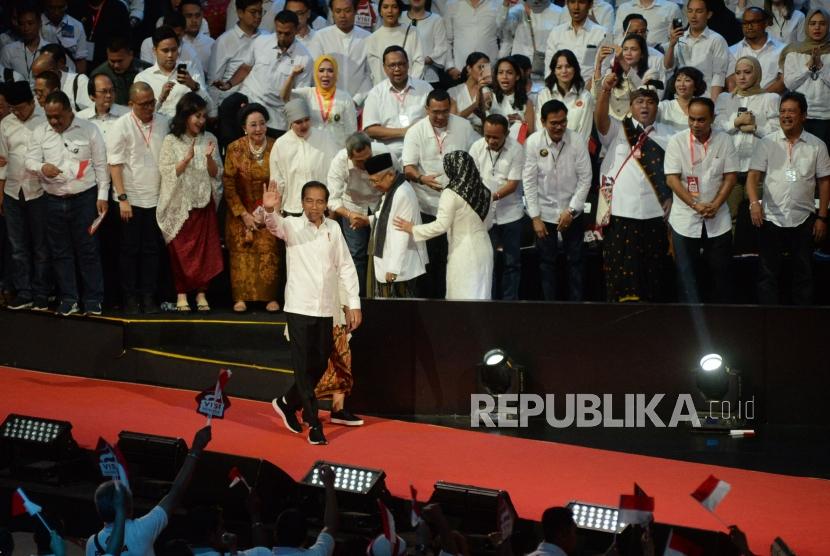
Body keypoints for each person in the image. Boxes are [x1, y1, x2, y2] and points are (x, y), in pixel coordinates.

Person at [261, 181, 362, 446]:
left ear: (326, 204)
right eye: (309, 200)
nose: (314, 206)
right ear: (302, 202)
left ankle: (286, 402)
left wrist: (354, 304)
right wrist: (270, 210)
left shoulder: (334, 229)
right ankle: (314, 423)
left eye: (319, 201)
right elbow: (274, 225)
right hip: (299, 307)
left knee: (318, 364)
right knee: (303, 365)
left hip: (326, 307)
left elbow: (346, 267)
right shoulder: (292, 226)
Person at [24, 90, 109, 316]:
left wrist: (103, 196)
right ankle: (69, 298)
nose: (53, 121)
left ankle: (93, 299)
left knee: (88, 250)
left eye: (58, 117)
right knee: (60, 251)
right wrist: (43, 168)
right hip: (52, 199)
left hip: (85, 198)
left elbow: (101, 165)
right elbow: (29, 159)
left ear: (69, 111)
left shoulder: (89, 129)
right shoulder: (40, 131)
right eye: (49, 116)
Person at [747, 91, 830, 305]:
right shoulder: (766, 143)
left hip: (803, 218)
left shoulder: (817, 145)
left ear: (803, 115)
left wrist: (822, 218)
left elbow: (824, 182)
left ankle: (801, 323)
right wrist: (754, 203)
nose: (786, 116)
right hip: (771, 217)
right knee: (767, 274)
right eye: (782, 111)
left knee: (803, 273)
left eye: (791, 111)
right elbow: (753, 176)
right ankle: (768, 321)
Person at [596, 83, 674, 303]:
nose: (645, 106)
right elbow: (600, 120)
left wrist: (672, 197)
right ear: (630, 106)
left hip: (654, 213)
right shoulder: (617, 129)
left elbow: (677, 173)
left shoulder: (669, 136)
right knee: (620, 268)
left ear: (657, 107)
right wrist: (605, 92)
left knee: (652, 270)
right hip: (621, 211)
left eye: (650, 102)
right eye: (639, 101)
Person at [85, 426, 212, 556]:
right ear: (126, 507)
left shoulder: (92, 544)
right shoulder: (141, 530)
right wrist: (196, 449)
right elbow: (175, 493)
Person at [402, 89, 478, 298]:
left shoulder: (463, 126)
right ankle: (431, 306)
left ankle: (453, 303)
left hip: (457, 207)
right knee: (429, 261)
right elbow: (408, 167)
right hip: (426, 204)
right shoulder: (415, 131)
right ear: (427, 109)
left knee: (454, 259)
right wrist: (420, 178)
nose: (440, 116)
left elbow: (474, 160)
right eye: (435, 112)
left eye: (445, 111)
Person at [664, 96, 739, 303]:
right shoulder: (676, 141)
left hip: (718, 216)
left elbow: (731, 176)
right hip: (685, 218)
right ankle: (686, 321)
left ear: (712, 118)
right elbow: (672, 179)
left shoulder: (724, 140)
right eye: (692, 119)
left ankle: (723, 321)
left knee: (721, 273)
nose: (695, 125)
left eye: (701, 120)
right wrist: (695, 204)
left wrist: (715, 204)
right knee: (686, 274)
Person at [395, 150, 493, 299]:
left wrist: (413, 229)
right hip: (485, 248)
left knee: (461, 298)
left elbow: (440, 226)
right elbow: (489, 223)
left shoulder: (451, 193)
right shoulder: (487, 192)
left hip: (463, 252)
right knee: (482, 295)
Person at [106, 82, 170, 315]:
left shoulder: (162, 122)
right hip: (130, 199)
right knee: (129, 250)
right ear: (131, 104)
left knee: (152, 250)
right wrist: (123, 198)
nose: (149, 108)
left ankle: (148, 296)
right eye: (144, 104)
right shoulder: (120, 126)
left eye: (152, 102)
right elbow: (114, 164)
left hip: (156, 197)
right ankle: (130, 297)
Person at [157, 92, 223, 312]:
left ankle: (202, 293)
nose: (201, 121)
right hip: (180, 205)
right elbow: (167, 172)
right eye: (197, 116)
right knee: (180, 253)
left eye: (204, 116)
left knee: (205, 252)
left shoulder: (210, 139)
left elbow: (216, 174)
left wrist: (207, 158)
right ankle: (182, 293)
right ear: (185, 115)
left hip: (203, 203)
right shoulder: (171, 140)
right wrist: (184, 160)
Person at [524, 100, 591, 301]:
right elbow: (529, 182)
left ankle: (577, 308)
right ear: (543, 122)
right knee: (546, 263)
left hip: (572, 212)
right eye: (554, 123)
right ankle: (549, 308)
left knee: (576, 261)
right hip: (544, 213)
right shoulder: (533, 142)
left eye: (562, 122)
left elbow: (586, 178)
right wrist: (535, 217)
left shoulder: (577, 140)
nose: (559, 127)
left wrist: (570, 211)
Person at [715, 55, 780, 245]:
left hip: (758, 171)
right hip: (731, 170)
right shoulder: (725, 98)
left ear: (757, 73)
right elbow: (716, 128)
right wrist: (736, 123)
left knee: (760, 217)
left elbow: (778, 132)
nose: (742, 77)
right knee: (728, 218)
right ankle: (729, 260)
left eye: (747, 72)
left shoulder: (770, 98)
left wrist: (755, 128)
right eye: (738, 73)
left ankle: (760, 259)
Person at [222, 103, 281, 314]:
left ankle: (270, 297)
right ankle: (241, 298)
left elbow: (281, 180)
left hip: (269, 210)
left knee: (269, 249)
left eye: (262, 124)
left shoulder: (276, 146)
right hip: (241, 212)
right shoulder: (234, 148)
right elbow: (228, 184)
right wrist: (244, 214)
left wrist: (269, 210)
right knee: (241, 251)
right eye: (253, 125)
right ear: (244, 128)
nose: (258, 129)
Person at [0, 81, 50, 312]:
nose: (17, 112)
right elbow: (2, 162)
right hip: (12, 190)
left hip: (38, 191)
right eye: (12, 108)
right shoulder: (6, 124)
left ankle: (42, 292)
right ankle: (24, 292)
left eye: (20, 107)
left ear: (31, 102)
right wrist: (0, 194)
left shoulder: (44, 120)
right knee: (17, 246)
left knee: (40, 246)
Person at [327, 132, 391, 296]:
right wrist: (349, 215)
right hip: (352, 207)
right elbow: (333, 200)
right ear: (349, 156)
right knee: (356, 255)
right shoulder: (339, 161)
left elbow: (395, 179)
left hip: (379, 204)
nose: (365, 163)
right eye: (360, 161)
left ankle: (383, 296)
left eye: (368, 158)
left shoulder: (382, 151)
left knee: (384, 252)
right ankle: (358, 298)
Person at [469, 114, 524, 300]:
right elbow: (472, 178)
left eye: (495, 137)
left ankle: (510, 304)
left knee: (512, 263)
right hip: (485, 216)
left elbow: (513, 184)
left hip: (511, 214)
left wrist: (490, 197)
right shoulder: (476, 147)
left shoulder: (516, 150)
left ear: (506, 134)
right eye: (487, 136)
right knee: (487, 263)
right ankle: (487, 301)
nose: (490, 141)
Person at [365, 152, 427, 297]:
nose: (374, 186)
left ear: (390, 175)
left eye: (376, 181)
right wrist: (367, 220)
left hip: (400, 266)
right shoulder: (393, 189)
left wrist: (393, 268)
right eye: (371, 181)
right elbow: (384, 216)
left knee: (399, 312)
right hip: (392, 261)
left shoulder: (401, 193)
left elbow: (401, 232)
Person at [243, 10, 313, 135]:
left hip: (277, 113)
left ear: (296, 30)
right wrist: (228, 85)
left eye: (287, 34)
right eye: (279, 32)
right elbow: (245, 68)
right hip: (251, 98)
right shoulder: (261, 42)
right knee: (228, 105)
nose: (282, 37)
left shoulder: (304, 58)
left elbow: (298, 96)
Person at [269, 98, 340, 216]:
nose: (304, 125)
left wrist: (332, 213)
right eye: (298, 122)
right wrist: (276, 216)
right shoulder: (280, 145)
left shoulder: (325, 138)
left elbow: (336, 176)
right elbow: (277, 183)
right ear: (291, 122)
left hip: (322, 209)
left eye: (306, 120)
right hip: (293, 210)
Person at [363, 46, 433, 158]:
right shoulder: (376, 93)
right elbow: (370, 130)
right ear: (384, 68)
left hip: (421, 149)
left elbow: (434, 117)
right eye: (392, 65)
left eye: (401, 64)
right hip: (388, 153)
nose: (397, 69)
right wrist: (404, 131)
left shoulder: (425, 88)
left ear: (408, 64)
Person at [134, 26, 211, 119]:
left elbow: (209, 107)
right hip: (157, 131)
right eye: (165, 51)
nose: (170, 55)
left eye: (174, 50)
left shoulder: (190, 71)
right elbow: (140, 116)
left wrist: (194, 86)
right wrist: (161, 99)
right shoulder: (143, 78)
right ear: (154, 51)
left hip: (185, 130)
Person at [781, 9, 830, 150]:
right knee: (798, 159)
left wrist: (820, 67)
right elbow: (789, 84)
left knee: (823, 163)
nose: (817, 27)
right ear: (806, 26)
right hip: (799, 116)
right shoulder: (793, 51)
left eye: (822, 23)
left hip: (826, 117)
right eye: (812, 23)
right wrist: (808, 68)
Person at [283, 54, 358, 147]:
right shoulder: (308, 93)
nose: (325, 75)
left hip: (338, 152)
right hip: (313, 150)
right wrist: (292, 75)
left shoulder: (345, 98)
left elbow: (351, 132)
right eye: (321, 70)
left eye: (330, 71)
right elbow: (284, 97)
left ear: (335, 74)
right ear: (315, 73)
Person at [307, 0, 374, 104]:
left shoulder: (367, 38)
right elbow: (314, 72)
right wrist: (328, 98)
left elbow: (369, 75)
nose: (342, 15)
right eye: (338, 11)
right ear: (332, 13)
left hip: (359, 105)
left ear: (355, 11)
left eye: (347, 11)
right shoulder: (320, 37)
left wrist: (356, 101)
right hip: (326, 103)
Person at [663, 0, 729, 100]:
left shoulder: (717, 40)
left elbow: (718, 76)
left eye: (699, 11)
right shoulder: (680, 38)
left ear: (709, 14)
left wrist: (713, 105)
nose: (693, 16)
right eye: (690, 11)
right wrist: (672, 45)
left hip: (705, 98)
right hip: (681, 97)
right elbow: (668, 66)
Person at [207, 0, 263, 106]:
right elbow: (214, 80)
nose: (258, 16)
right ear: (240, 13)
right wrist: (212, 111)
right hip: (230, 103)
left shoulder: (266, 37)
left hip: (258, 102)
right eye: (253, 12)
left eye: (260, 12)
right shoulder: (224, 41)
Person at [593, 34, 660, 121]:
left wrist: (621, 60)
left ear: (642, 54)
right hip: (610, 123)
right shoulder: (613, 71)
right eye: (625, 49)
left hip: (634, 125)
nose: (628, 53)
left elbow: (642, 93)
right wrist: (599, 63)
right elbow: (596, 95)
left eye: (633, 49)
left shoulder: (651, 73)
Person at [543, 0, 609, 85]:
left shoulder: (601, 33)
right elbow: (549, 69)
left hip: (590, 93)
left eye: (581, 2)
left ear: (590, 4)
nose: (576, 7)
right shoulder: (556, 33)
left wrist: (586, 93)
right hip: (559, 93)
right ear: (567, 3)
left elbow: (604, 69)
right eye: (572, 2)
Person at [443, 0, 509, 80]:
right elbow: (447, 39)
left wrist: (499, 65)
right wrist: (450, 67)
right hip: (460, 71)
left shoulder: (498, 3)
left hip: (489, 71)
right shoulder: (452, 4)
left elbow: (506, 38)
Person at [536, 49, 593, 140]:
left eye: (568, 66)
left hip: (575, 150)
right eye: (559, 67)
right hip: (547, 149)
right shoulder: (543, 94)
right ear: (554, 71)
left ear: (575, 69)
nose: (564, 71)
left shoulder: (585, 96)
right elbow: (540, 128)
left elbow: (584, 134)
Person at [726, 7, 785, 94]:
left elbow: (783, 81)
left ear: (765, 23)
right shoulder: (731, 51)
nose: (749, 27)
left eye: (754, 22)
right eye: (745, 23)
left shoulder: (782, 49)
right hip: (741, 103)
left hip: (771, 103)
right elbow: (731, 82)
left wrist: (760, 98)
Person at [366, 0, 425, 85]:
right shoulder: (373, 38)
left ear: (400, 11)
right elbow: (376, 71)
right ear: (380, 11)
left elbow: (419, 61)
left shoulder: (412, 32)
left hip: (411, 88)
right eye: (385, 7)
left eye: (394, 7)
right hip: (385, 92)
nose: (390, 11)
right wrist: (388, 89)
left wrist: (410, 85)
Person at [502, 0, 564, 77]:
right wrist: (505, 4)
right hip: (519, 72)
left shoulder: (560, 13)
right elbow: (502, 26)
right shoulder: (519, 10)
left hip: (546, 71)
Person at [68, 0, 130, 69]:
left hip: (107, 63)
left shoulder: (118, 8)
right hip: (78, 60)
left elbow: (125, 39)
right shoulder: (75, 6)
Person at [403, 0, 451, 86]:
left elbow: (441, 47)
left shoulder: (436, 20)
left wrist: (423, 60)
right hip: (401, 73)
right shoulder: (400, 16)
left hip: (427, 75)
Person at [91, 37, 151, 106]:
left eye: (120, 61)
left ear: (131, 55)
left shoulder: (147, 71)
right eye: (112, 61)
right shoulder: (98, 75)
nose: (116, 65)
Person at [487, 56, 535, 140]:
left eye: (509, 73)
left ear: (517, 76)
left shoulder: (527, 102)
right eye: (500, 72)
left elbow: (531, 134)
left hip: (517, 147)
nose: (504, 76)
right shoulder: (489, 97)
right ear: (496, 76)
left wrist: (521, 123)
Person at [0, 3, 48, 85]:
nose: (26, 28)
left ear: (39, 23)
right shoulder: (8, 51)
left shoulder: (50, 50)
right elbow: (3, 79)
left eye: (30, 23)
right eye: (22, 24)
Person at [40, 0, 89, 74]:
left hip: (70, 77)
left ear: (66, 6)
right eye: (52, 8)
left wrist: (78, 81)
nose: (56, 12)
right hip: (44, 77)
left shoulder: (77, 26)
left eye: (61, 7)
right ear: (45, 5)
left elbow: (81, 60)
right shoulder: (36, 24)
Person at [448, 52, 491, 135]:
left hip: (481, 134)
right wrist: (475, 105)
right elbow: (452, 120)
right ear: (469, 68)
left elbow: (487, 117)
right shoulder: (453, 92)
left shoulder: (488, 92)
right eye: (480, 67)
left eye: (486, 68)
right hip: (459, 133)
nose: (483, 71)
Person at [78, 74, 129, 139]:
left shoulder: (127, 114)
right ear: (91, 96)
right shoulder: (80, 119)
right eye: (103, 91)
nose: (109, 95)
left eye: (111, 90)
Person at [657, 65, 706, 132]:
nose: (681, 84)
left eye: (687, 80)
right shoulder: (664, 106)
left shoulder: (702, 109)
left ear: (696, 86)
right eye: (678, 80)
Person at [613, 0, 681, 47]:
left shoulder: (673, 8)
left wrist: (658, 50)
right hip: (629, 55)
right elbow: (617, 37)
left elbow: (678, 37)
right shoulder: (623, 8)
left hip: (660, 56)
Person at [180, 0, 214, 72]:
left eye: (197, 15)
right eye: (189, 16)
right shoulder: (175, 43)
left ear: (202, 16)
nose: (194, 20)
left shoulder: (212, 44)